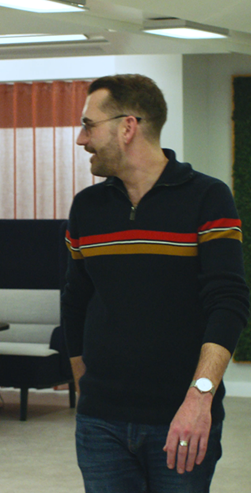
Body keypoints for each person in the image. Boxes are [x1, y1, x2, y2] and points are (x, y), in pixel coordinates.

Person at [61, 74, 249, 492]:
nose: (81, 139)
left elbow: (229, 301)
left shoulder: (207, 197)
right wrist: (83, 387)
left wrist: (200, 397)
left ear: (127, 127)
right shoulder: (87, 207)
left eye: (88, 125)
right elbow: (75, 300)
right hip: (100, 423)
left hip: (181, 415)